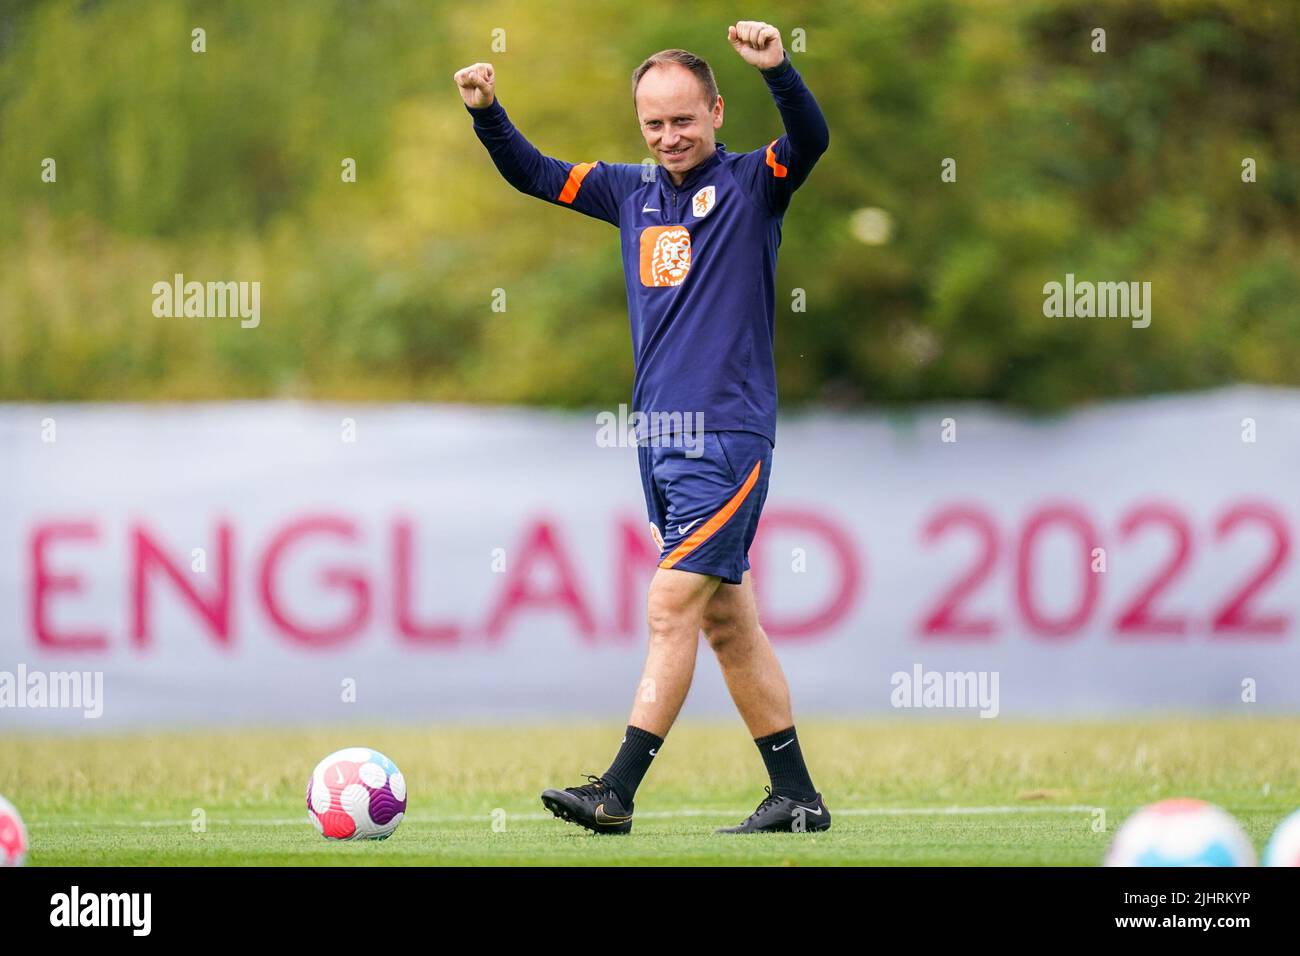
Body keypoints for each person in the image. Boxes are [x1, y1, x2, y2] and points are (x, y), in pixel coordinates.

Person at [454, 21, 830, 834]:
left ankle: (616, 790)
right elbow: (536, 175)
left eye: (684, 120)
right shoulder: (631, 191)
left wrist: (780, 70)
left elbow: (811, 137)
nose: (670, 137)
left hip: (725, 439)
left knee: (669, 608)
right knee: (729, 622)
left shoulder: (752, 184)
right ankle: (797, 795)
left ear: (718, 111)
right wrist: (488, 112)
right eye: (654, 124)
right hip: (659, 444)